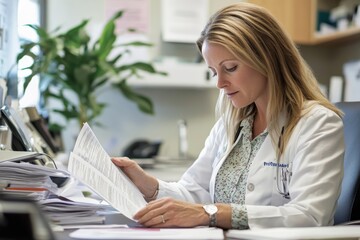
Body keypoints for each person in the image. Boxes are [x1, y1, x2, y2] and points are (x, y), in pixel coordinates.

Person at [111, 2, 344, 229]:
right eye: (214, 72)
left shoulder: (318, 124)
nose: (220, 83)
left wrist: (213, 213)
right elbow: (192, 193)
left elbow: (309, 216)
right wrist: (147, 185)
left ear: (266, 58)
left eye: (230, 68)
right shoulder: (230, 125)